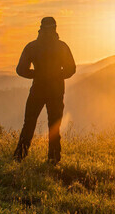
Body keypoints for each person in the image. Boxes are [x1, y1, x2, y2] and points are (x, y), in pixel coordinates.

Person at [14, 16, 76, 164]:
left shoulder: (32, 46)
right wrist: (57, 75)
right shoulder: (62, 47)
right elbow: (71, 69)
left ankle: (19, 157)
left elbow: (20, 70)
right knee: (54, 126)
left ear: (40, 29)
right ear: (55, 28)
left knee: (29, 124)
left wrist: (36, 74)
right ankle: (53, 159)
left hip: (37, 90)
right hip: (56, 91)